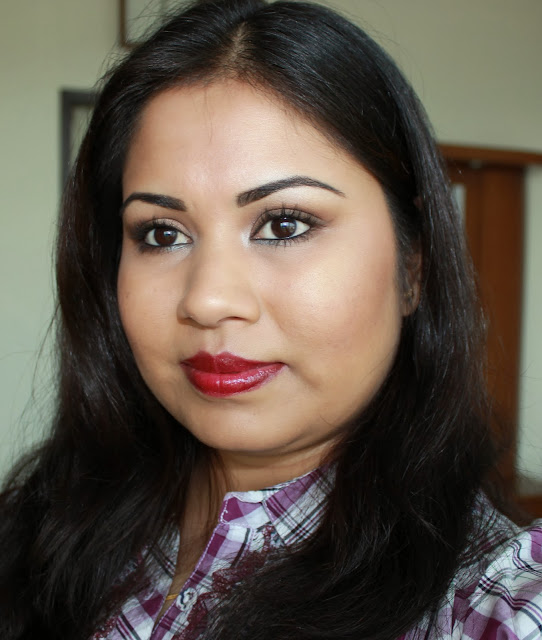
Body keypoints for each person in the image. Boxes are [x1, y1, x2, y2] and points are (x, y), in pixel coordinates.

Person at [1, 0, 541, 638]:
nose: (207, 299)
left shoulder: (492, 604)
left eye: (285, 225)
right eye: (162, 233)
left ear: (413, 265)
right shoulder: (37, 526)